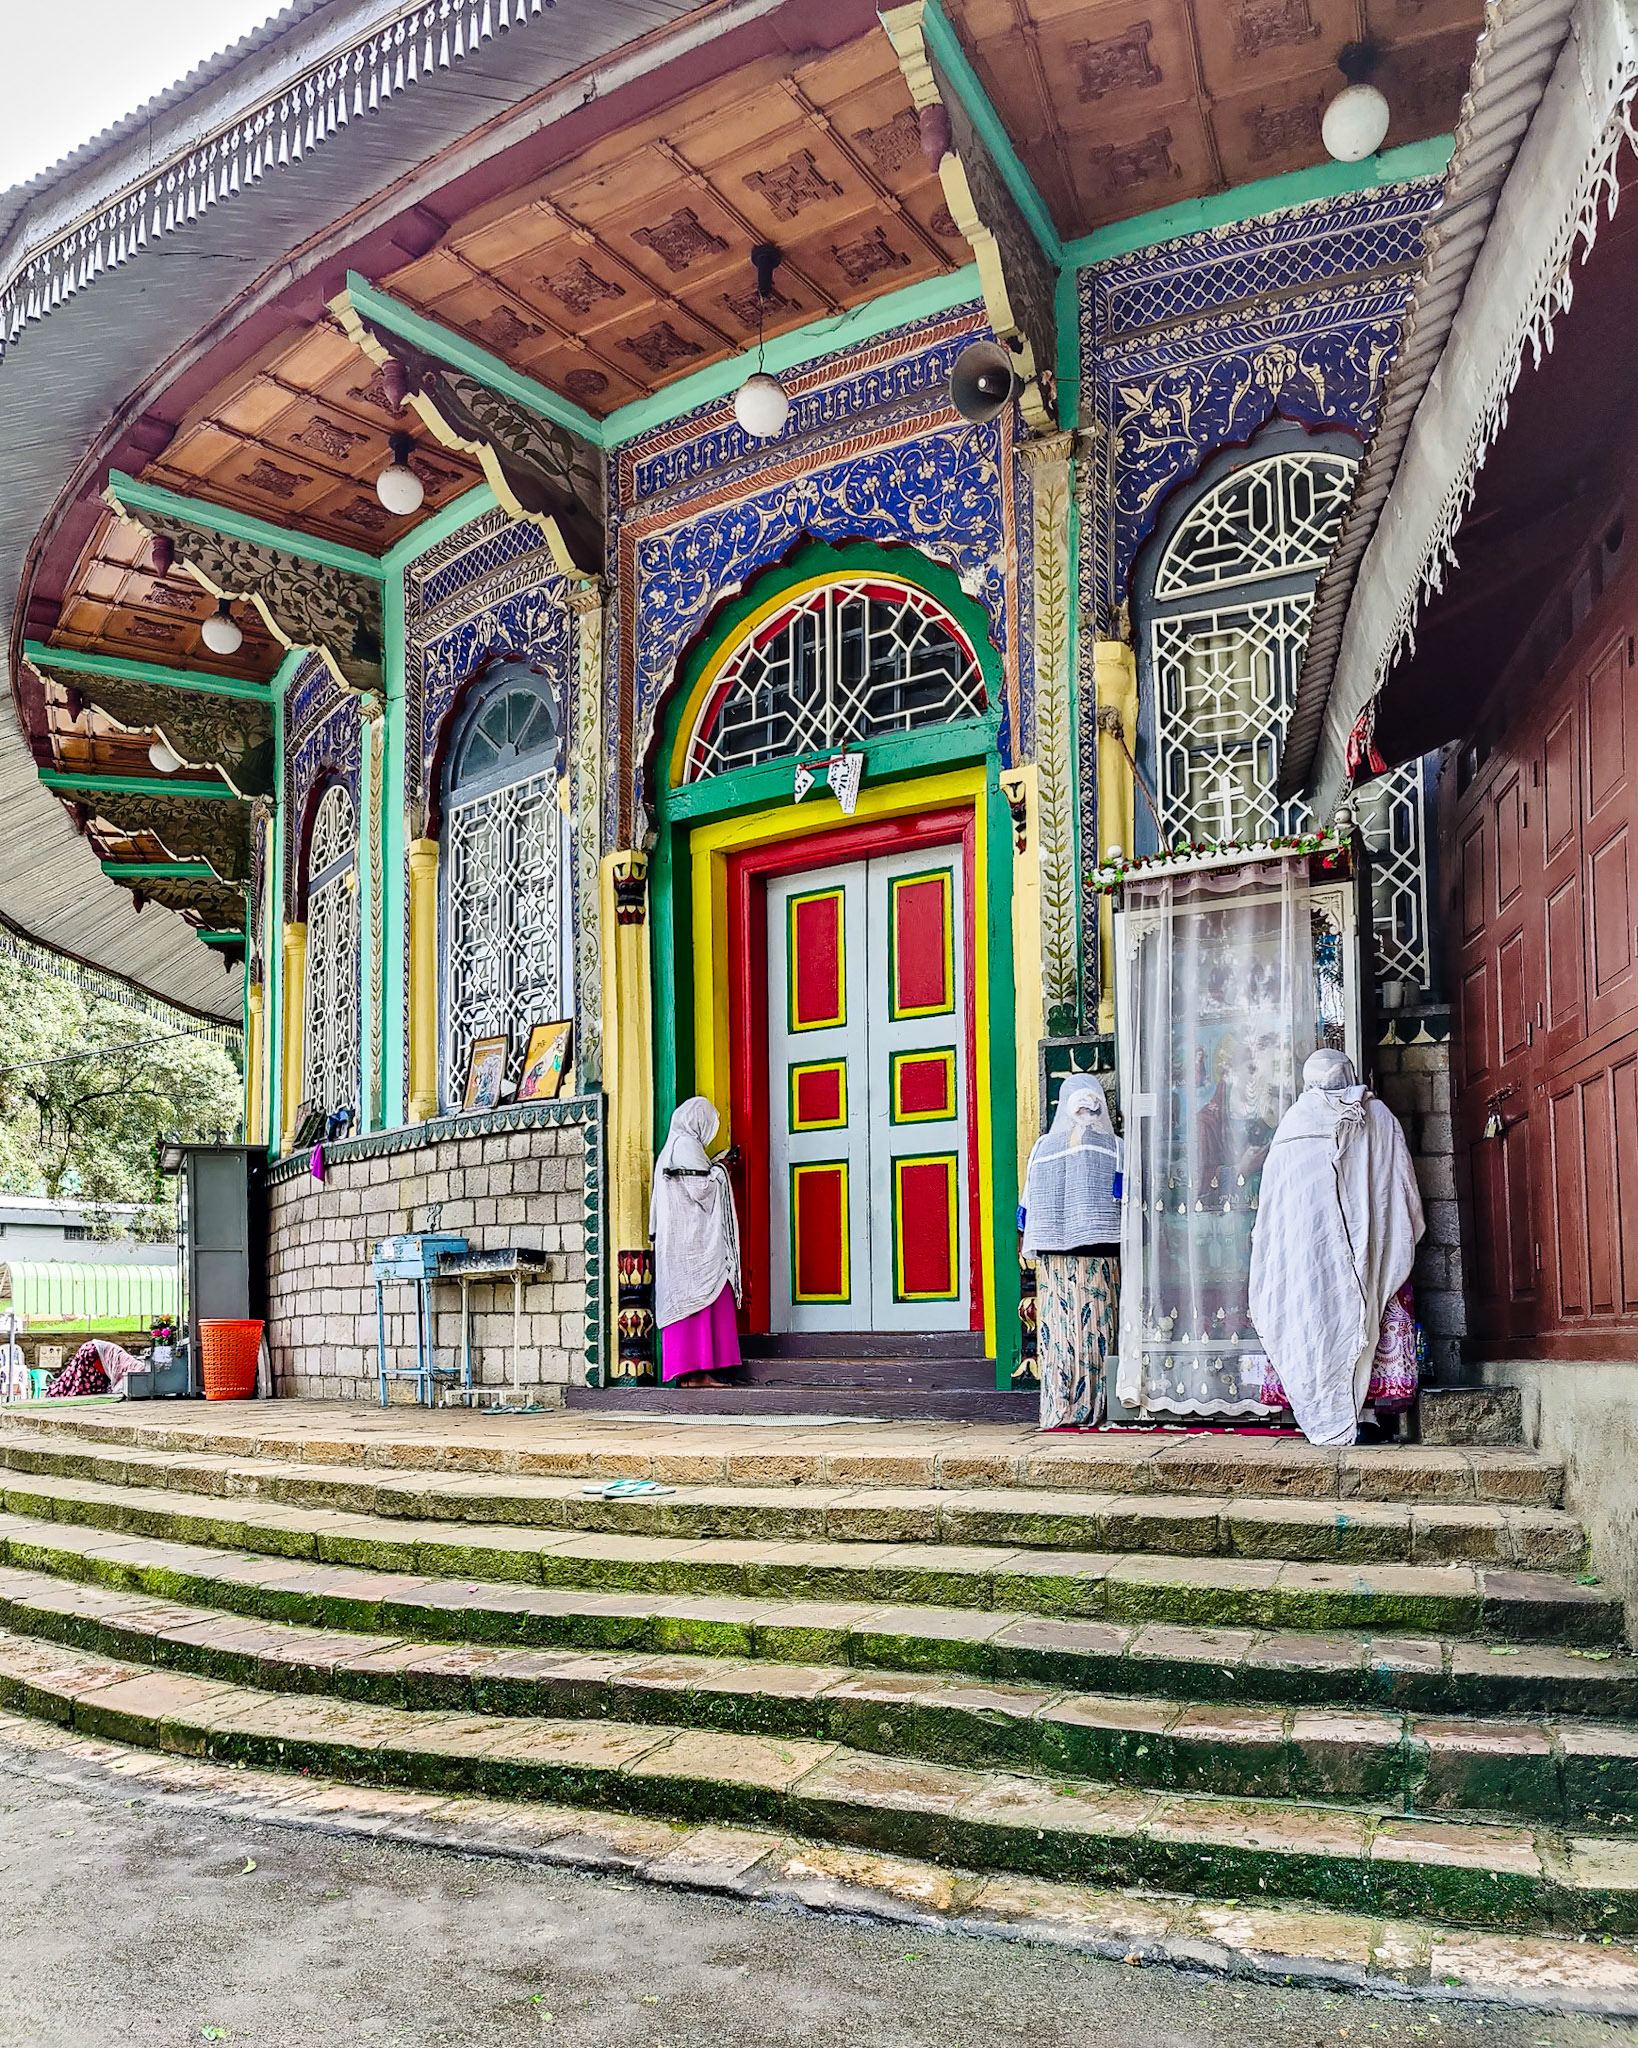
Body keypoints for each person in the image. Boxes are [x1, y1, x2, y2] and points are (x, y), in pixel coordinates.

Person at [1249, 1048, 1425, 1447]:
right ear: (1348, 1073)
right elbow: (1401, 1188)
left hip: (1308, 1255)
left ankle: (1320, 1409)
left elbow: (1274, 1208)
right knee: (1367, 1309)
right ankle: (1362, 1413)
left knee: (1314, 1319)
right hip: (1367, 1245)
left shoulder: (1293, 1122)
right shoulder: (1377, 1116)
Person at [1020, 1075, 1122, 1428]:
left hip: (1056, 1263)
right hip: (1100, 1259)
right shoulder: (1116, 1147)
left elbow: (1026, 1211)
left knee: (1063, 1336)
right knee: (1096, 1333)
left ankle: (1061, 1406)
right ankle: (1097, 1404)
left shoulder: (1041, 1149)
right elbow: (1125, 1200)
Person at [650, 1095, 742, 1386]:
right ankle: (699, 1372)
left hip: (676, 1246)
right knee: (707, 1293)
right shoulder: (686, 1146)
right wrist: (724, 1167)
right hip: (694, 1246)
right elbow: (702, 1189)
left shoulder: (670, 1149)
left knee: (686, 1301)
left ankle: (690, 1375)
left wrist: (714, 1166)